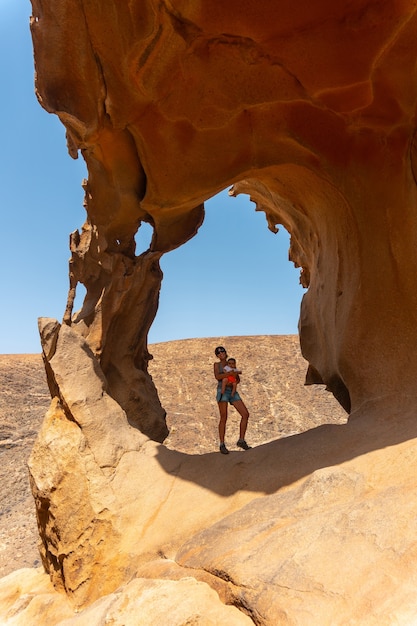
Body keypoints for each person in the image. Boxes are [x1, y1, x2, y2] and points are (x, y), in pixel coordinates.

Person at [213, 346, 251, 454]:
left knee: (245, 414)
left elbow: (237, 379)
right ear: (217, 356)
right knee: (224, 416)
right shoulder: (217, 365)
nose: (221, 354)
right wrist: (230, 374)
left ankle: (241, 440)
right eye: (218, 353)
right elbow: (217, 376)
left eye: (222, 352)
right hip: (223, 391)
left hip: (232, 390)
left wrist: (233, 377)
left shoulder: (231, 363)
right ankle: (222, 443)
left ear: (225, 352)